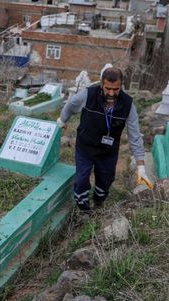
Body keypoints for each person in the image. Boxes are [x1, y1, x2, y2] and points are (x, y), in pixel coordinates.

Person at [57, 67, 152, 212]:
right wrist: (62, 120)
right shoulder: (88, 95)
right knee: (81, 179)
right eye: (108, 88)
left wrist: (140, 166)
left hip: (108, 151)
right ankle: (84, 211)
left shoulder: (128, 105)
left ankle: (99, 202)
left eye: (116, 89)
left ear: (121, 86)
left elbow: (135, 136)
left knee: (105, 181)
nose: (111, 93)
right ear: (101, 84)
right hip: (85, 147)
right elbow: (70, 105)